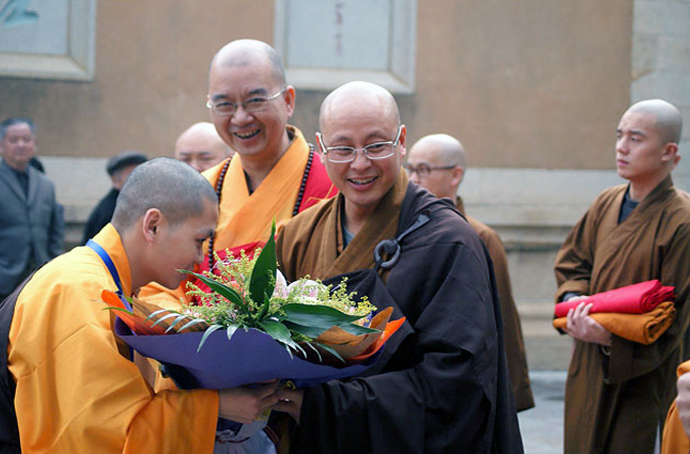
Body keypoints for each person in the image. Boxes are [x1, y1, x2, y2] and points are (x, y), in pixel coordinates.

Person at [273, 81, 523, 453]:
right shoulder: (296, 235)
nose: (360, 163)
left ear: (401, 141)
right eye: (343, 148)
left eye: (376, 145)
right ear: (321, 149)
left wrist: (327, 405)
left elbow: (457, 384)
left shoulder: (450, 243)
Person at [0, 158, 280, 453]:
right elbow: (99, 435)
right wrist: (217, 406)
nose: (200, 258)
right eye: (199, 240)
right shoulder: (77, 289)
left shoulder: (113, 285)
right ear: (153, 225)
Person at [139, 39, 334, 307]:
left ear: (288, 101)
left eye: (255, 101)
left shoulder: (331, 187)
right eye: (225, 105)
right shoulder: (197, 191)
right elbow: (159, 287)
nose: (240, 118)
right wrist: (183, 320)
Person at [554, 99, 690, 453]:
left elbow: (676, 315)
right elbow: (573, 263)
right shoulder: (605, 202)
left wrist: (611, 337)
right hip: (586, 360)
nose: (621, 147)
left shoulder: (683, 221)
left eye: (635, 138)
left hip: (640, 373)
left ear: (668, 151)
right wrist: (573, 303)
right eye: (619, 136)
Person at [405, 133, 534, 412]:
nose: (413, 179)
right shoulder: (402, 232)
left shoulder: (480, 237)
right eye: (410, 169)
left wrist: (509, 391)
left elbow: (502, 320)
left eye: (424, 170)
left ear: (455, 175)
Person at [0, 117, 63, 302]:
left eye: (26, 139)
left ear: (34, 144)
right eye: (14, 140)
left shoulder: (46, 184)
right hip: (4, 278)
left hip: (38, 278)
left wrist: (52, 263)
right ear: (2, 145)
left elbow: (55, 230)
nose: (21, 144)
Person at [81, 150, 148, 244]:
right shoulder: (110, 210)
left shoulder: (136, 202)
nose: (137, 180)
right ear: (115, 180)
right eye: (131, 175)